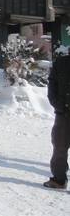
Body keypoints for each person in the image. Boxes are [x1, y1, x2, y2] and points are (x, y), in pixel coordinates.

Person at [44, 47, 70, 189]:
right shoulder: (61, 62)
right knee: (59, 145)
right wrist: (57, 104)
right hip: (63, 113)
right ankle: (59, 179)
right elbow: (52, 85)